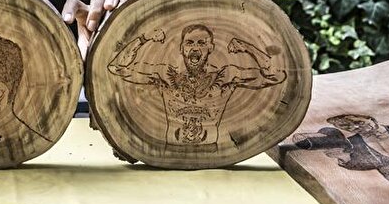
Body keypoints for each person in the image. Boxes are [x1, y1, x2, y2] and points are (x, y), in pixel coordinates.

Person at [106, 25, 287, 148]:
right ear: (182, 48)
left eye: (201, 43)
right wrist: (144, 38)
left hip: (215, 157)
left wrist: (248, 47)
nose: (195, 48)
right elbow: (116, 67)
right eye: (189, 43)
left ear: (211, 48)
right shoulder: (166, 75)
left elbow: (277, 75)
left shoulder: (225, 77)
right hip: (168, 157)